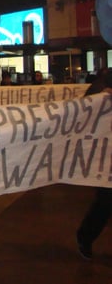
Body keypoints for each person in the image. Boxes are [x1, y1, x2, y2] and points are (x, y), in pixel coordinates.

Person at [76, 70, 112, 260]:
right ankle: (85, 237)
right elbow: (89, 101)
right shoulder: (106, 79)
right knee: (106, 201)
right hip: (108, 153)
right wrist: (103, 94)